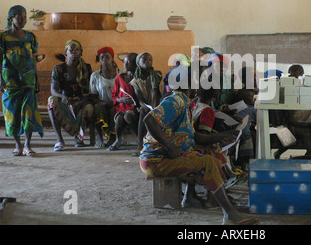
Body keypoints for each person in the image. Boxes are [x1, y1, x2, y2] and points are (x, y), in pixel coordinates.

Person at [140, 65, 259, 225]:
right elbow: (149, 119)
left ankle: (194, 198)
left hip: (166, 156)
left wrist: (221, 137)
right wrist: (169, 146)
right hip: (157, 159)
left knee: (211, 150)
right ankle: (229, 213)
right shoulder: (176, 100)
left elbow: (193, 136)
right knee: (206, 161)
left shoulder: (185, 103)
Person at [0, 5, 43, 156]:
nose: (23, 20)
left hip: (28, 80)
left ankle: (27, 145)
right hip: (10, 80)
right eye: (19, 17)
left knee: (29, 112)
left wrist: (36, 79)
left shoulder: (30, 36)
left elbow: (33, 60)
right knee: (12, 112)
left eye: (24, 17)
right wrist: (0, 79)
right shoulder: (2, 37)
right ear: (11, 18)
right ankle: (17, 144)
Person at [48, 39, 94, 151]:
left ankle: (79, 138)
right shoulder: (58, 69)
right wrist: (62, 97)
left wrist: (82, 100)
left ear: (81, 53)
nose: (74, 51)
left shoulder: (86, 68)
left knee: (89, 108)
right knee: (52, 101)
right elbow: (53, 90)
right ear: (65, 53)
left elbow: (90, 89)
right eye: (71, 49)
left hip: (82, 100)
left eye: (77, 49)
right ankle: (59, 140)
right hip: (66, 101)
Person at [90, 47, 123, 147]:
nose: (105, 59)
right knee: (98, 108)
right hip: (102, 103)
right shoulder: (95, 75)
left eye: (107, 56)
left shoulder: (121, 73)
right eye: (102, 57)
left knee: (117, 110)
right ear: (99, 60)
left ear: (112, 58)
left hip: (118, 103)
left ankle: (112, 138)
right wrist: (102, 102)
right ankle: (99, 137)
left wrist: (116, 102)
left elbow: (126, 92)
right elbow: (93, 96)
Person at [130, 52, 162, 155]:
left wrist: (153, 107)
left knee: (153, 113)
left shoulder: (156, 75)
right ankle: (140, 144)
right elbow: (140, 99)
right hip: (144, 105)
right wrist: (147, 106)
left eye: (149, 60)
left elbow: (155, 92)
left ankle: (157, 143)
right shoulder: (135, 80)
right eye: (144, 60)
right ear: (138, 63)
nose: (147, 62)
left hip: (156, 102)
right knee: (143, 112)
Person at [110, 53, 138, 151]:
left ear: (136, 64)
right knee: (119, 119)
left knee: (128, 116)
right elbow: (114, 96)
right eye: (124, 61)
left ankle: (139, 139)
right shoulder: (120, 78)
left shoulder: (138, 79)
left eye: (128, 62)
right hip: (121, 107)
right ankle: (118, 139)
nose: (125, 64)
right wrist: (120, 99)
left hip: (134, 108)